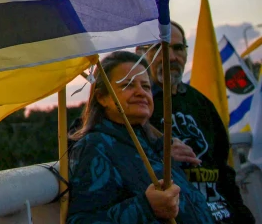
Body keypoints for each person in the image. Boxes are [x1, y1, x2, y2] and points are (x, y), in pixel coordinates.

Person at [68, 50, 215, 223]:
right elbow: (83, 221)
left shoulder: (154, 144)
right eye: (128, 85)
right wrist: (145, 207)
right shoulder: (95, 147)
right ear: (102, 98)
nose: (140, 92)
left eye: (145, 86)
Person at [137, 22, 255, 224]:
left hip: (222, 216)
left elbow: (223, 169)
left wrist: (243, 216)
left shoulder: (201, 104)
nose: (172, 57)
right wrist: (160, 151)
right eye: (161, 48)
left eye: (178, 48)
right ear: (140, 53)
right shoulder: (134, 107)